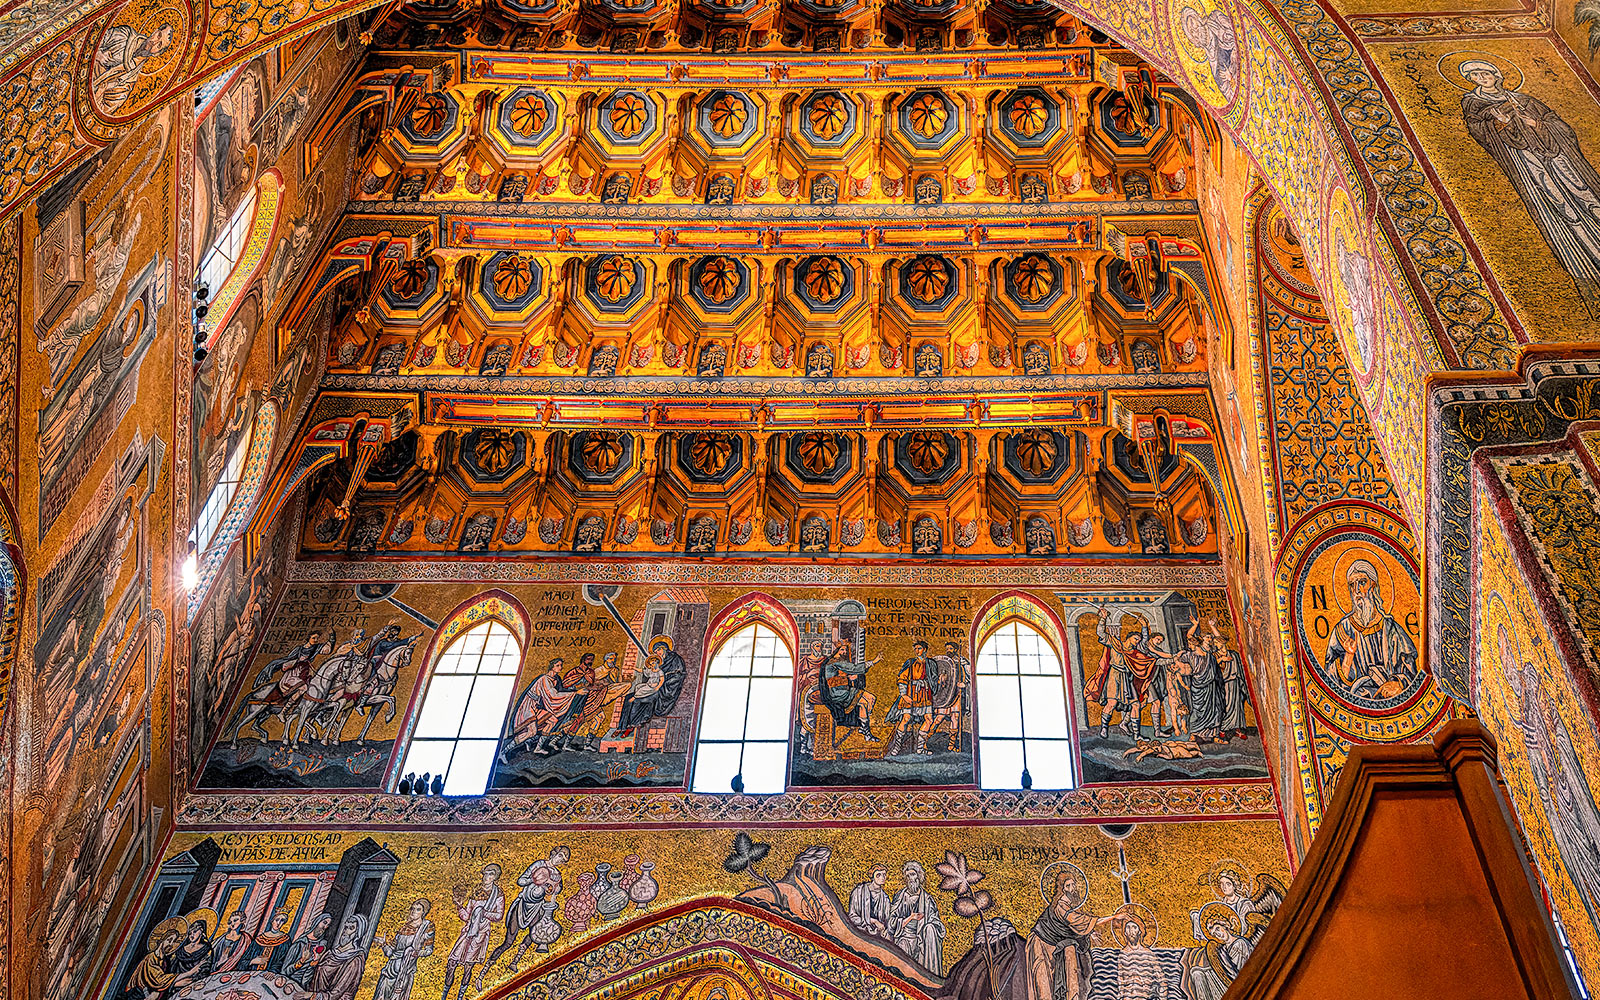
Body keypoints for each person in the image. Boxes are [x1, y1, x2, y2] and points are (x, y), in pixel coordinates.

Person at [1459, 59, 1600, 319]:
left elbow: (1559, 125)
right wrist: (1497, 122)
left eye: (1485, 72)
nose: (1482, 77)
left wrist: (1538, 125)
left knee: (1584, 193)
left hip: (1555, 154)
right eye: (1476, 75)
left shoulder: (1523, 98)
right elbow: (1479, 131)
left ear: (1496, 73)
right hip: (1524, 158)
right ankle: (1592, 254)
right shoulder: (1474, 104)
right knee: (1558, 203)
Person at [1323, 560, 1418, 699]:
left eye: (1362, 582)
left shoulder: (1392, 629)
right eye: (1352, 585)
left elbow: (1412, 671)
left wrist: (1399, 684)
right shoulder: (1342, 630)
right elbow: (1330, 683)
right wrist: (1349, 656)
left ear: (1372, 585)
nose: (1357, 590)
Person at [1026, 865, 1119, 1000]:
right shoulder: (1060, 905)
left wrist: (1088, 932)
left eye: (1073, 885)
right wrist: (1113, 918)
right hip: (1041, 943)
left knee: (1071, 952)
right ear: (1062, 888)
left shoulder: (1068, 905)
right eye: (1068, 885)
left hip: (1052, 943)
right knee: (1044, 984)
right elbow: (1077, 921)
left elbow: (1071, 929)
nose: (1072, 888)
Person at [443, 863, 504, 999]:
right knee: (452, 963)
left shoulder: (498, 894)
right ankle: (444, 995)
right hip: (468, 931)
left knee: (468, 967)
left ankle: (460, 996)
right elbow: (467, 916)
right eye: (485, 873)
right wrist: (459, 906)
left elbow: (499, 916)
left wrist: (484, 912)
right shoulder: (476, 891)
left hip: (480, 934)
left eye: (490, 874)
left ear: (495, 877)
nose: (486, 877)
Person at [502, 659, 579, 759]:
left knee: (553, 721)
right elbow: (553, 695)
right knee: (531, 732)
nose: (560, 667)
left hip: (537, 707)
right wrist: (575, 693)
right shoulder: (544, 679)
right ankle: (504, 751)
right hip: (529, 706)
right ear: (552, 667)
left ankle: (538, 747)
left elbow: (560, 691)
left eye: (561, 665)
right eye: (558, 665)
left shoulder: (555, 679)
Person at [616, 635, 688, 736]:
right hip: (653, 687)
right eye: (655, 652)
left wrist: (662, 683)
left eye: (658, 650)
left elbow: (678, 676)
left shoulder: (675, 659)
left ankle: (632, 725)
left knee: (639, 700)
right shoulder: (659, 662)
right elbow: (651, 673)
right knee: (628, 697)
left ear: (664, 648)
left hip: (666, 690)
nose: (657, 653)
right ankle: (621, 727)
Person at [118, 916, 198, 1000]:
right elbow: (159, 980)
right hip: (138, 995)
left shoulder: (165, 960)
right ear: (162, 940)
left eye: (173, 942)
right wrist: (189, 973)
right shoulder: (150, 958)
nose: (171, 944)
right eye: (169, 940)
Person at [889, 860, 945, 973]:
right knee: (901, 952)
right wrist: (911, 917)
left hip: (921, 938)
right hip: (904, 936)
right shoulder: (900, 897)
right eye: (908, 875)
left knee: (929, 932)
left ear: (919, 876)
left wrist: (929, 927)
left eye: (913, 874)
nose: (911, 878)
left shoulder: (927, 900)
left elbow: (936, 921)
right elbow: (891, 922)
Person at [375, 899, 436, 1000]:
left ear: (423, 912)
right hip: (389, 970)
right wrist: (383, 944)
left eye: (418, 909)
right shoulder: (404, 927)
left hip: (405, 972)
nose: (413, 911)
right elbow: (391, 952)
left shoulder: (426, 928)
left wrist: (417, 953)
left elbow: (429, 950)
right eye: (412, 908)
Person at [820, 640, 879, 742]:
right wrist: (873, 662)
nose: (844, 652)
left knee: (870, 699)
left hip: (844, 690)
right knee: (864, 703)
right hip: (838, 693)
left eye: (846, 650)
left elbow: (847, 672)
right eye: (842, 650)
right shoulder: (835, 661)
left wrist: (849, 677)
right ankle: (866, 732)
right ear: (836, 650)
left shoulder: (836, 662)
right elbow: (853, 668)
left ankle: (863, 728)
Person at [890, 642, 939, 755]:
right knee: (906, 718)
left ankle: (920, 748)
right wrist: (904, 695)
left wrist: (938, 680)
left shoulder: (931, 663)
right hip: (911, 693)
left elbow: (934, 678)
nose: (917, 651)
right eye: (915, 648)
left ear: (925, 649)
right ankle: (896, 747)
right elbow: (902, 678)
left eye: (919, 648)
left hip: (925, 694)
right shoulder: (911, 662)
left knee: (929, 719)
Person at [310, 913, 369, 1000]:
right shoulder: (330, 953)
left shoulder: (354, 960)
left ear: (357, 934)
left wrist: (312, 996)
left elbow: (337, 992)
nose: (346, 931)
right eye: (346, 927)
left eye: (351, 928)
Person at [1114, 912, 1166, 1000]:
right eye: (1128, 927)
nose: (1131, 931)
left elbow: (1162, 981)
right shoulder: (1122, 954)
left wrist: (1163, 997)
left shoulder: (1148, 954)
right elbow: (1121, 982)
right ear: (1124, 932)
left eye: (1134, 927)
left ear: (1140, 931)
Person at [1212, 625, 1250, 741]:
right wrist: (1213, 627)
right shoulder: (1216, 656)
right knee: (1227, 706)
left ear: (1221, 643)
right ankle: (1223, 728)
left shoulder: (1233, 654)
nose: (1215, 644)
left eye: (1216, 642)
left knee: (1238, 706)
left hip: (1236, 682)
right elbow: (1215, 668)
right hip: (1225, 684)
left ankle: (1237, 729)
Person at [284, 911, 334, 988]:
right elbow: (285, 971)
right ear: (317, 922)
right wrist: (301, 961)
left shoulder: (322, 945)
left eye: (328, 925)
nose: (325, 927)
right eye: (324, 922)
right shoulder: (301, 943)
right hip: (288, 982)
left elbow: (308, 978)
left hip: (303, 987)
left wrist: (314, 962)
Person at [848, 864, 893, 941]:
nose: (882, 878)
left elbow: (887, 922)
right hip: (859, 932)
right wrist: (872, 921)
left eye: (884, 875)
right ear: (872, 876)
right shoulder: (859, 892)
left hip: (878, 936)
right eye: (878, 875)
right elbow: (852, 917)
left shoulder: (885, 899)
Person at [209, 909, 255, 974]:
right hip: (215, 967)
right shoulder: (221, 939)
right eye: (230, 922)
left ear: (242, 921)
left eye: (235, 920)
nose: (232, 923)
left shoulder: (246, 939)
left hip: (232, 971)